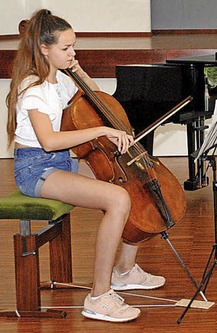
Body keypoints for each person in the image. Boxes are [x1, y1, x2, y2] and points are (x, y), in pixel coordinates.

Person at [6, 9, 165, 323]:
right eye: (66, 48)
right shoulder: (33, 89)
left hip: (61, 164)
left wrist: (78, 71)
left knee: (131, 185)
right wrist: (102, 131)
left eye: (73, 46)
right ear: (43, 49)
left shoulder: (60, 81)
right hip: (36, 170)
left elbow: (97, 101)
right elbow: (49, 141)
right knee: (117, 199)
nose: (72, 53)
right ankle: (99, 297)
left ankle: (123, 271)